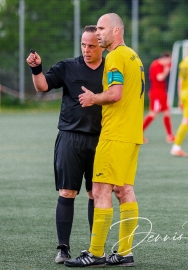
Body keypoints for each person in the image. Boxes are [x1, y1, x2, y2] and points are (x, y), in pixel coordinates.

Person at [64, 13, 144, 267]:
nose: (97, 33)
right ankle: (124, 252)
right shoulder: (133, 55)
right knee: (125, 190)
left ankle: (95, 253)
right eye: (96, 28)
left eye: (101, 28)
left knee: (100, 189)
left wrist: (93, 98)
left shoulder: (115, 57)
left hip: (116, 134)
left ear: (116, 31)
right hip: (132, 134)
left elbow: (116, 93)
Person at [26, 25, 104, 264]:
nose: (87, 49)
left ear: (101, 45)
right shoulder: (67, 66)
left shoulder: (112, 68)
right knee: (67, 192)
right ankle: (63, 248)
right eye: (83, 44)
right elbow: (42, 86)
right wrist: (36, 68)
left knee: (96, 194)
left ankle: (95, 249)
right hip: (70, 137)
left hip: (101, 140)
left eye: (91, 45)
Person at [143, 52, 175, 143]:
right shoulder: (156, 65)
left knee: (167, 113)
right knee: (153, 113)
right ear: (164, 58)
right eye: (168, 60)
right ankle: (139, 133)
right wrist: (166, 70)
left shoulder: (163, 64)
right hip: (156, 93)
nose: (169, 62)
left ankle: (170, 136)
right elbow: (160, 77)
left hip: (162, 93)